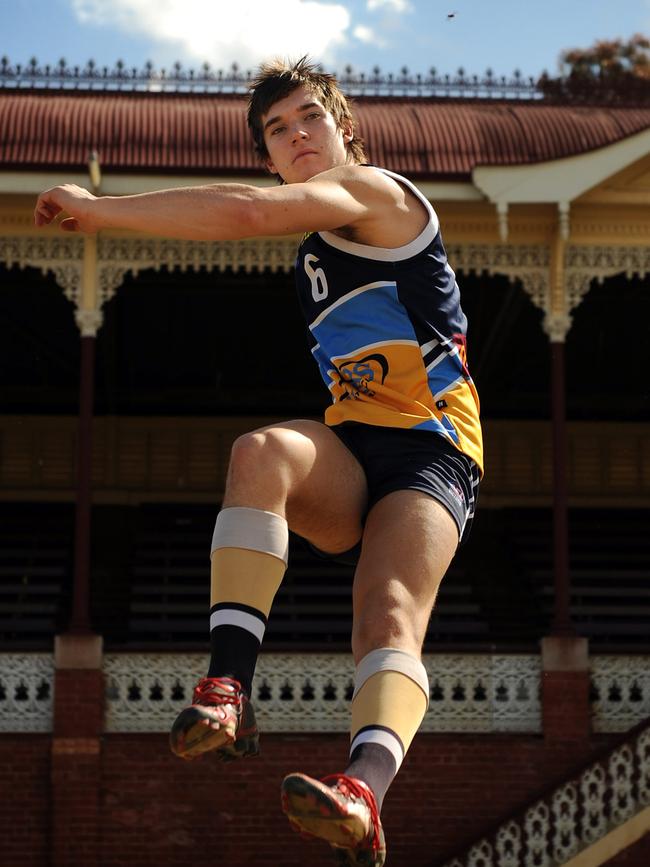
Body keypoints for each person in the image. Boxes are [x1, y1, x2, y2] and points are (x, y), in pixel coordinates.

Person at [35, 57, 483, 867]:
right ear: (270, 157)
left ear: (343, 126)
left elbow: (242, 215)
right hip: (352, 447)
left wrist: (100, 210)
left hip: (433, 450)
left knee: (385, 609)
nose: (297, 134)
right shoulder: (315, 244)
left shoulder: (379, 193)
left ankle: (364, 792)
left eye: (309, 115)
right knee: (261, 452)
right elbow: (248, 212)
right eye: (277, 130)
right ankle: (229, 690)